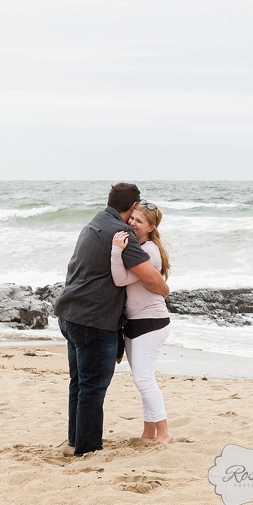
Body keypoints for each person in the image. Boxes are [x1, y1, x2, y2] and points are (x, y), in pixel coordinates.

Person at [54, 183, 169, 456]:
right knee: (93, 386)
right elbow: (150, 278)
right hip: (93, 321)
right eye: (134, 214)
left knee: (79, 382)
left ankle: (76, 440)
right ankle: (88, 448)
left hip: (69, 314)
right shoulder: (121, 233)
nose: (134, 220)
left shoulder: (94, 223)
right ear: (131, 207)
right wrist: (165, 290)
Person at [111, 200, 172, 443]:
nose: (133, 223)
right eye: (132, 218)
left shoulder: (148, 252)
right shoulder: (141, 247)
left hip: (151, 321)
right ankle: (148, 431)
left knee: (143, 379)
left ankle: (164, 432)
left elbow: (120, 279)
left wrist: (116, 251)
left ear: (151, 228)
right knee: (142, 378)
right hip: (135, 323)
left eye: (140, 221)